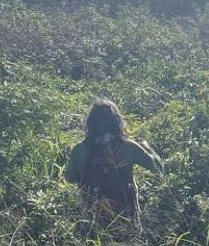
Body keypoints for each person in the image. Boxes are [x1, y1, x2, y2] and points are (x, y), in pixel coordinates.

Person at [62, 98, 164, 236]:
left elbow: (69, 178)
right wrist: (148, 148)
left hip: (92, 221)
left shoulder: (79, 149)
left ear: (90, 124)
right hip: (127, 220)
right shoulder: (129, 147)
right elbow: (158, 169)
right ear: (117, 122)